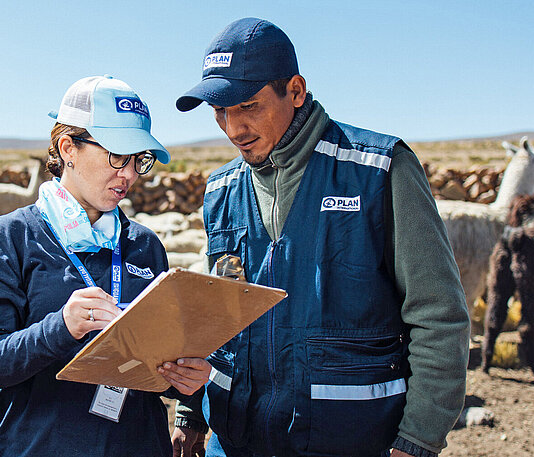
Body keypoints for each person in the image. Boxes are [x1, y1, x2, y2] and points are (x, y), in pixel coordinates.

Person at [172, 18, 470, 457]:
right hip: (234, 444)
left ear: (294, 90)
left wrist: (418, 440)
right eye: (220, 111)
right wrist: (192, 413)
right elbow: (215, 317)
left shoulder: (379, 171)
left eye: (248, 106)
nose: (233, 129)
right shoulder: (220, 191)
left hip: (352, 443)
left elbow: (439, 315)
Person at [0, 75, 211, 456]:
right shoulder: (5, 240)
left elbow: (163, 360)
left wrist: (185, 379)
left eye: (137, 160)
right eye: (116, 155)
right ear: (68, 148)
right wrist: (60, 327)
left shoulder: (145, 245)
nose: (127, 174)